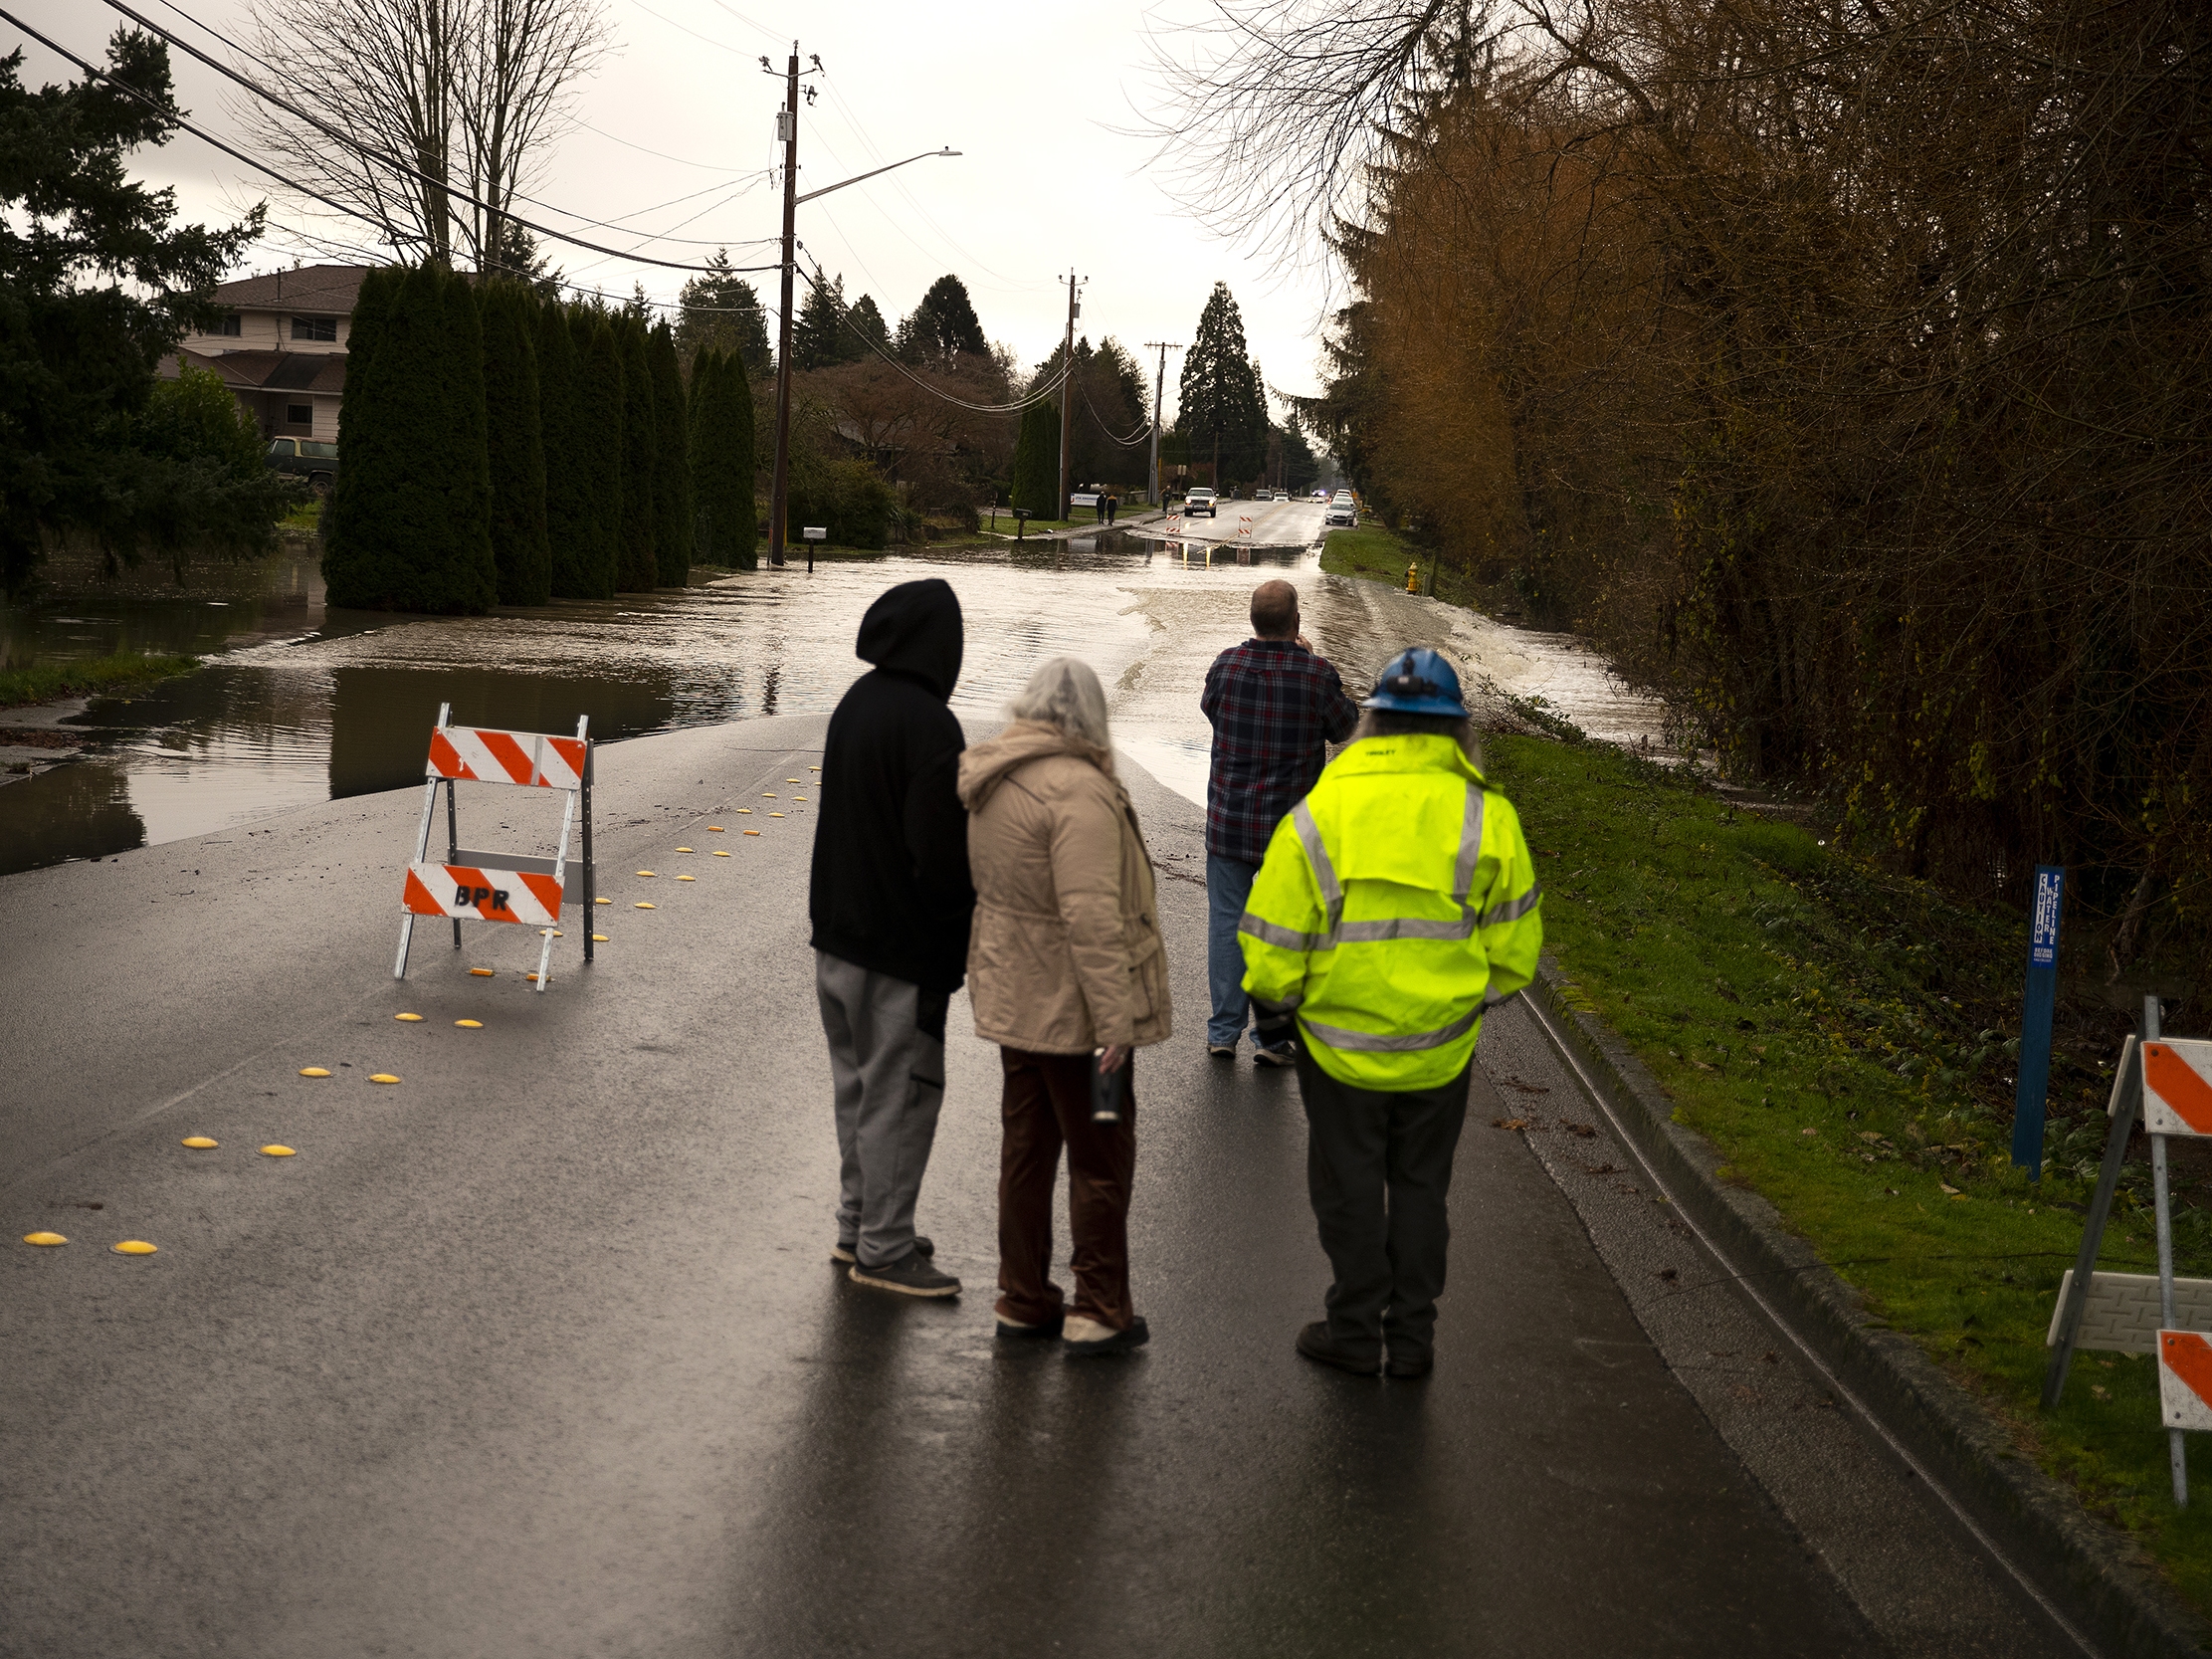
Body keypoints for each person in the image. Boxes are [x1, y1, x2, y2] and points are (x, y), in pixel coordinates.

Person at [1239, 648, 1542, 1378]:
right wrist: (1463, 1001)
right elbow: (1515, 948)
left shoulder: (1323, 811)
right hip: (1438, 1051)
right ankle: (1410, 1341)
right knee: (1419, 1190)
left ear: (1371, 720)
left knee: (1346, 1188)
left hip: (1338, 1049)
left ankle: (1351, 1331)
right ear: (1455, 730)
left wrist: (1276, 1008)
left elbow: (1276, 934)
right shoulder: (1488, 817)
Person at [958, 657, 1171, 1356]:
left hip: (1017, 999)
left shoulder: (996, 775)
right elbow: (1089, 918)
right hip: (1080, 1017)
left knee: (1025, 1152)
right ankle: (1097, 1305)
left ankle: (1022, 1296)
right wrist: (1115, 1027)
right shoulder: (1078, 789)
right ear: (1090, 716)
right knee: (1099, 1157)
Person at [809, 578, 975, 1299]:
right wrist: (953, 941)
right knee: (901, 1097)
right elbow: (939, 855)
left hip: (836, 935)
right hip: (898, 948)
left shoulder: (855, 703)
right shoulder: (931, 726)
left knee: (855, 1093)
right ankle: (885, 1246)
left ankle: (859, 1225)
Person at [1200, 579, 1360, 1063]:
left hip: (1229, 823)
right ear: (1296, 622)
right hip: (1289, 834)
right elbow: (1346, 727)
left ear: (1253, 620)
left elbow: (1212, 710)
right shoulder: (1315, 675)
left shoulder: (1226, 665)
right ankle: (1270, 1039)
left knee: (1227, 924)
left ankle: (1223, 1032)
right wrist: (1307, 660)